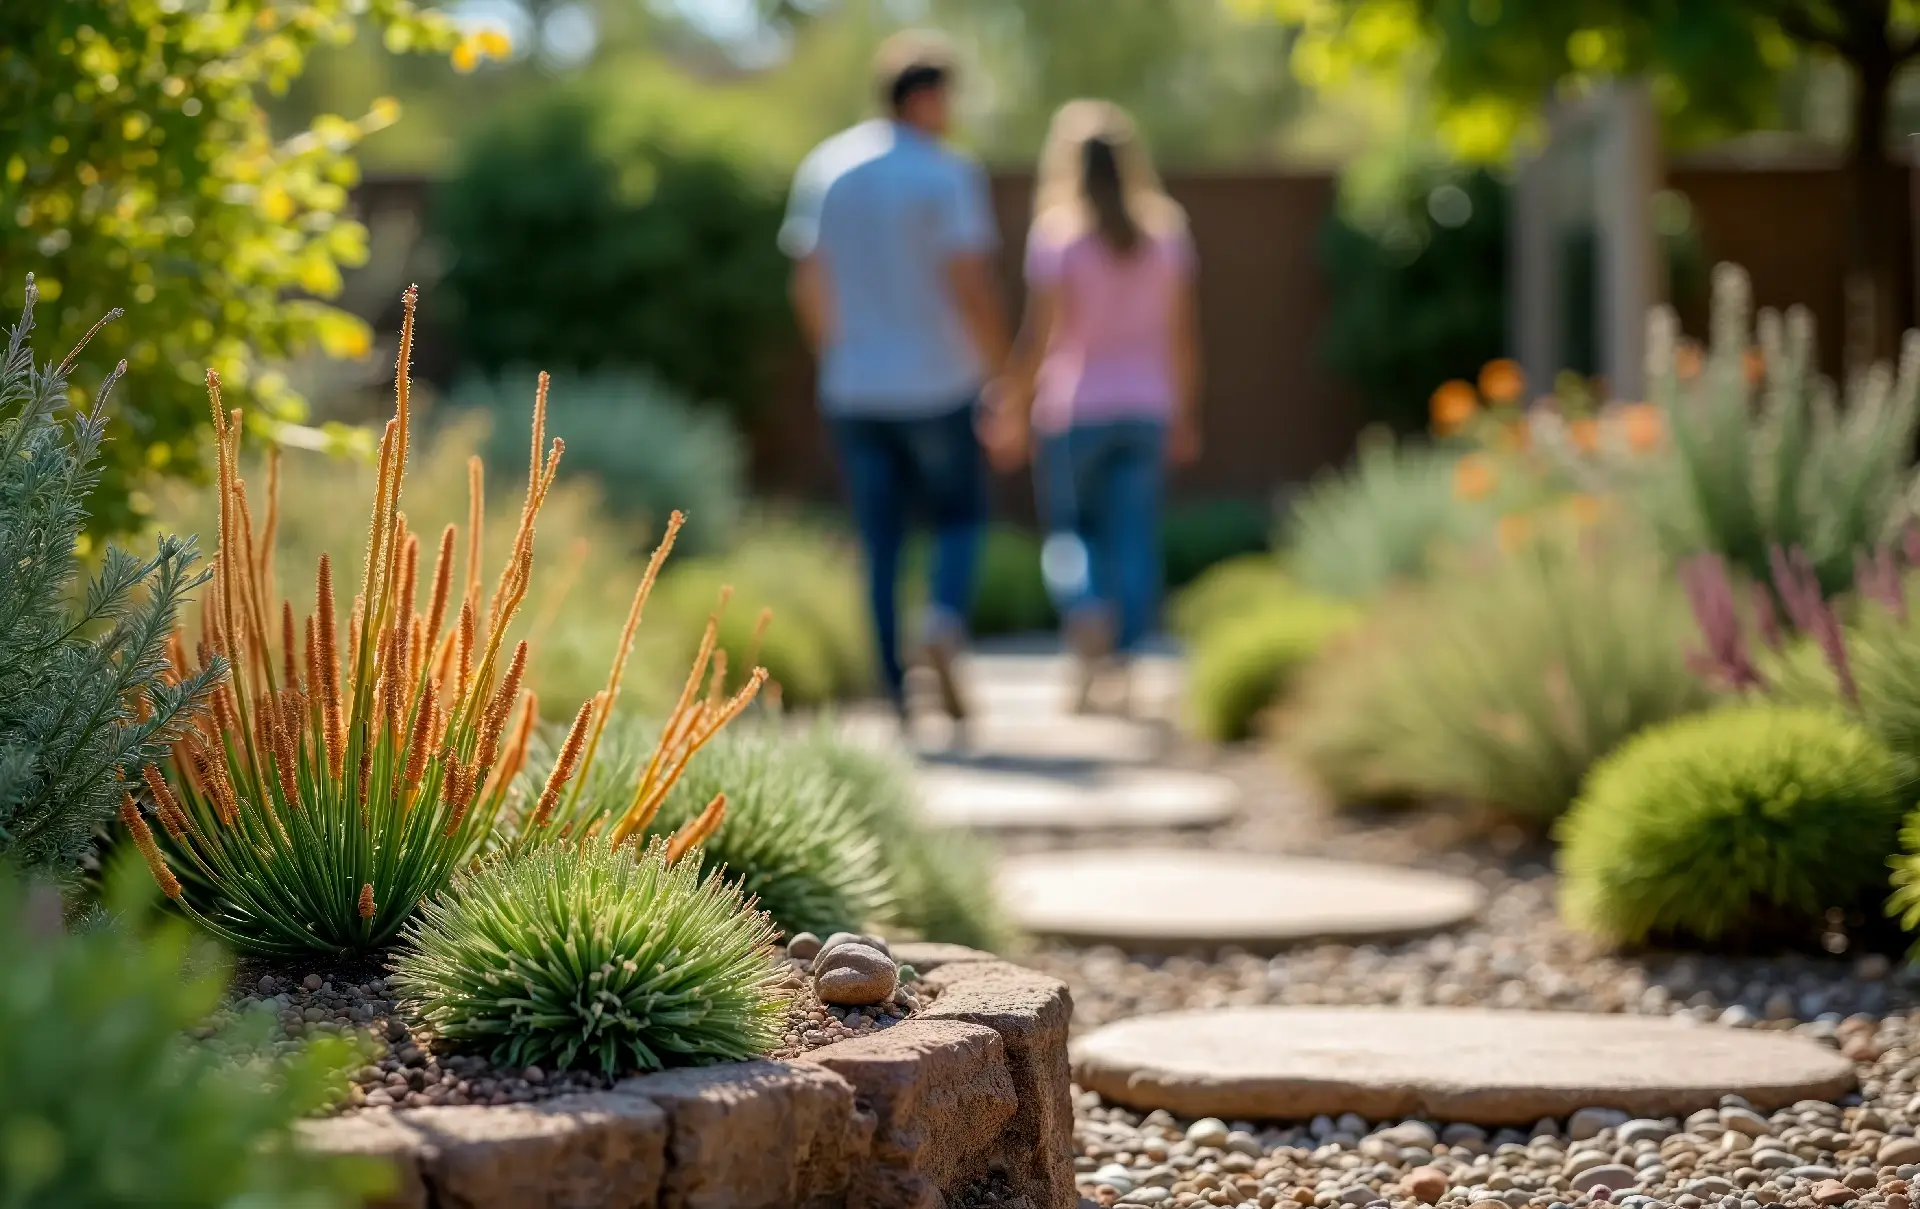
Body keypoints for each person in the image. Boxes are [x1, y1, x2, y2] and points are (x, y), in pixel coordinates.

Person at [778, 30, 1016, 731]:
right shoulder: (946, 173)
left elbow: (807, 280)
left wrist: (837, 353)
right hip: (940, 381)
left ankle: (894, 689)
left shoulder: (827, 168)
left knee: (880, 540)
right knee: (961, 517)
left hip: (856, 386)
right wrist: (1002, 373)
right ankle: (942, 618)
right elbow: (971, 280)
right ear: (927, 95)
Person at [1001, 100, 1200, 711]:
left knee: (1073, 535)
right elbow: (1183, 336)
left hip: (1076, 407)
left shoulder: (1059, 236)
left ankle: (1086, 613)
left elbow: (1040, 337)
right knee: (1133, 537)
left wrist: (1011, 401)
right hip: (1147, 405)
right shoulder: (1166, 234)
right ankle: (1125, 666)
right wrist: (1188, 412)